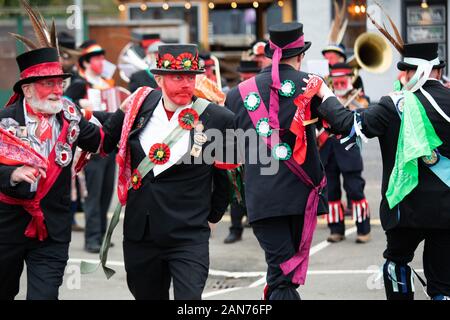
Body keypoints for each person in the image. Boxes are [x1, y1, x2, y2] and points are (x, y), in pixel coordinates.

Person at [312, 40, 450, 299]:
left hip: (405, 210)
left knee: (396, 264)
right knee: (443, 284)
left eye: (406, 71)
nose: (403, 76)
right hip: (446, 210)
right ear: (438, 72)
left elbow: (344, 123)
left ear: (413, 72)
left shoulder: (393, 104)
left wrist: (325, 94)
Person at [99, 44, 234, 300]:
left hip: (188, 234)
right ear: (158, 79)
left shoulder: (218, 118)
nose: (186, 84)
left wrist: (213, 215)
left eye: (191, 77)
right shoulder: (140, 105)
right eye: (178, 77)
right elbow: (105, 137)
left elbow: (224, 176)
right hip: (141, 234)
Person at [0, 0, 106, 300]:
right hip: (6, 230)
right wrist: (13, 172)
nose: (58, 90)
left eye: (60, 83)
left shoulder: (69, 117)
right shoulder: (4, 122)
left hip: (52, 233)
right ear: (28, 89)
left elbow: (101, 138)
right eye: (49, 84)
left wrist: (134, 111)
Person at [226, 22, 328, 300]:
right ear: (301, 55)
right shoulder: (311, 85)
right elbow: (334, 123)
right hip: (302, 196)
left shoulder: (236, 95)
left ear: (270, 53)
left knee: (280, 274)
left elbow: (228, 151)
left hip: (262, 199)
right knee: (283, 276)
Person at [64, 40, 117, 253]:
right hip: (90, 147)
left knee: (106, 194)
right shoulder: (79, 83)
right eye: (97, 58)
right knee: (93, 196)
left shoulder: (107, 82)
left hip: (109, 145)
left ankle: (102, 235)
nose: (101, 62)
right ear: (86, 61)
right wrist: (80, 106)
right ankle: (92, 238)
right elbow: (64, 105)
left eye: (102, 58)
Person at [319, 63, 370, 243]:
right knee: (331, 192)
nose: (340, 85)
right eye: (336, 82)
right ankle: (336, 230)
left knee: (355, 190)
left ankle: (363, 230)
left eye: (343, 82)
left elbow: (364, 117)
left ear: (350, 80)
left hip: (349, 151)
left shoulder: (359, 99)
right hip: (328, 152)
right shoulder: (324, 99)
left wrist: (351, 104)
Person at [223, 59, 261, 244]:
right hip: (238, 147)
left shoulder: (265, 93)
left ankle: (260, 226)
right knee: (237, 191)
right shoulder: (234, 95)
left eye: (250, 77)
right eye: (244, 77)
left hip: (261, 147)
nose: (246, 80)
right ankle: (235, 229)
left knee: (260, 189)